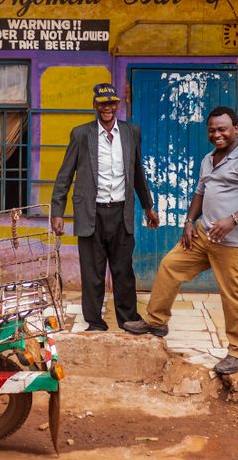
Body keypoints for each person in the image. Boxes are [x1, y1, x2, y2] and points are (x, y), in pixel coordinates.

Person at [124, 106, 238, 376]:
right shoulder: (209, 159)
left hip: (234, 242)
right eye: (213, 130)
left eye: (223, 129)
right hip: (205, 234)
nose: (217, 134)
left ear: (236, 129)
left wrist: (233, 220)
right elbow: (200, 193)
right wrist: (189, 221)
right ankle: (157, 321)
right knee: (170, 265)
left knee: (235, 295)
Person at [52, 83, 159, 331]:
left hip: (121, 211)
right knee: (92, 273)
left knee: (123, 270)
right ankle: (95, 323)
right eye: (102, 103)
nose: (107, 108)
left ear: (117, 105)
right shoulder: (81, 134)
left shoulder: (131, 132)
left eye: (111, 103)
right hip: (92, 213)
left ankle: (129, 319)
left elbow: (137, 172)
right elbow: (64, 176)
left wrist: (148, 206)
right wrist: (57, 212)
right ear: (95, 106)